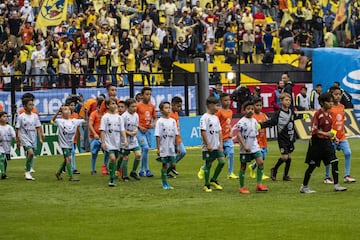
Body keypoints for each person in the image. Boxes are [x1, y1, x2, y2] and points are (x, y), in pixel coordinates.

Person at [300, 92, 347, 193]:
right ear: (323, 103)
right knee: (312, 165)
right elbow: (314, 130)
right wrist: (327, 134)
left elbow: (329, 131)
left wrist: (334, 138)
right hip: (316, 143)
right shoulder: (318, 114)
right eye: (329, 102)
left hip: (326, 143)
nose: (331, 104)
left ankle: (336, 185)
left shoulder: (329, 115)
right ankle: (304, 186)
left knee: (335, 161)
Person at [260, 92, 304, 181]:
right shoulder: (278, 113)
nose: (288, 102)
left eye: (289, 100)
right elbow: (271, 122)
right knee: (285, 157)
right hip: (282, 139)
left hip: (291, 138)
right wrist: (261, 125)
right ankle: (274, 169)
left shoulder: (291, 111)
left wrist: (302, 116)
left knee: (289, 157)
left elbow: (294, 117)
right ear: (281, 101)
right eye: (286, 100)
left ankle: (285, 175)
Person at [323, 86, 355, 184]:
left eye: (339, 94)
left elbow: (340, 120)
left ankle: (347, 175)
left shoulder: (342, 106)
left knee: (348, 153)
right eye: (335, 94)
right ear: (331, 95)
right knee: (330, 156)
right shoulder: (329, 108)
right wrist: (331, 135)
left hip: (342, 136)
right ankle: (327, 177)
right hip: (331, 137)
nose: (338, 96)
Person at [236, 101, 269, 194]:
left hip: (255, 146)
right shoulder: (241, 122)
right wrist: (244, 145)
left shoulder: (254, 121)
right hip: (245, 148)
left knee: (260, 162)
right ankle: (242, 187)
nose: (250, 111)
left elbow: (255, 134)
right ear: (244, 110)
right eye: (248, 109)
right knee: (243, 166)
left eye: (252, 109)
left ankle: (259, 184)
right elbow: (238, 134)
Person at [52, 105, 86, 182]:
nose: (67, 110)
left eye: (68, 109)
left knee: (66, 160)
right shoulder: (60, 121)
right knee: (68, 159)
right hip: (63, 144)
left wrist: (86, 112)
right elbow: (52, 120)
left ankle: (58, 173)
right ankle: (71, 177)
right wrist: (58, 112)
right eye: (65, 109)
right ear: (62, 113)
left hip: (70, 143)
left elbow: (85, 120)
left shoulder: (74, 121)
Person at [100, 97, 127, 187]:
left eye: (115, 103)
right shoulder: (105, 117)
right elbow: (102, 130)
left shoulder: (119, 118)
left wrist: (125, 140)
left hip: (117, 143)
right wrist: (103, 142)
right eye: (112, 103)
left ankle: (113, 171)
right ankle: (111, 179)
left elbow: (122, 130)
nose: (115, 105)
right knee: (112, 158)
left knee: (116, 159)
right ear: (107, 106)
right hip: (108, 142)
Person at [200, 96, 225, 193]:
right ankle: (206, 185)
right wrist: (208, 144)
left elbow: (219, 131)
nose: (218, 107)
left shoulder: (216, 118)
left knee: (222, 162)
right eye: (216, 105)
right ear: (210, 105)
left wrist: (221, 144)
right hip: (209, 146)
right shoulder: (204, 118)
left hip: (217, 145)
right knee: (208, 164)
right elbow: (203, 132)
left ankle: (213, 180)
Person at [15, 97, 44, 180]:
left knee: (30, 155)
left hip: (33, 137)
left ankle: (27, 170)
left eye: (32, 105)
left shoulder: (35, 116)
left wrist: (40, 138)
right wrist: (17, 141)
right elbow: (17, 129)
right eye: (30, 105)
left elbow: (38, 127)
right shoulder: (21, 117)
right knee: (30, 153)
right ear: (25, 106)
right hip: (24, 137)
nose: (32, 106)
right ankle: (27, 172)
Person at [155, 101, 179, 189]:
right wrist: (158, 148)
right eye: (166, 108)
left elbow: (176, 134)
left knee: (173, 164)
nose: (168, 110)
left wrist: (178, 146)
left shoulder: (172, 121)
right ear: (161, 110)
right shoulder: (160, 121)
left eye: (169, 108)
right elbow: (157, 135)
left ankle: (164, 175)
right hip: (163, 146)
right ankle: (164, 183)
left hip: (171, 147)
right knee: (164, 165)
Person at [136, 87, 157, 177]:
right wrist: (140, 127)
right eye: (147, 94)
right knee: (145, 148)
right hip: (139, 131)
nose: (148, 96)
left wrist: (154, 124)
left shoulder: (152, 106)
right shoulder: (138, 106)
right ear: (142, 95)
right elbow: (134, 119)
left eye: (150, 94)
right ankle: (145, 169)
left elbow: (155, 117)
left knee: (146, 150)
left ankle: (142, 170)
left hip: (148, 131)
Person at [248, 98, 270, 180]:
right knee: (260, 157)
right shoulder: (252, 116)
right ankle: (261, 174)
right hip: (256, 140)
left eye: (260, 105)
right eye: (257, 105)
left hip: (263, 139)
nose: (259, 107)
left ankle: (252, 167)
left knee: (263, 157)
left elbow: (268, 122)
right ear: (253, 106)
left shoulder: (264, 115)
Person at [120, 98, 141, 181]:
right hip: (125, 140)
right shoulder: (123, 116)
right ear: (127, 107)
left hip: (133, 140)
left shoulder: (136, 115)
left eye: (135, 106)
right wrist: (129, 133)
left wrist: (135, 131)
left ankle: (133, 172)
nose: (135, 108)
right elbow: (121, 129)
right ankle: (124, 176)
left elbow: (136, 126)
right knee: (125, 157)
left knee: (138, 155)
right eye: (132, 106)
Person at [88, 96, 108, 175]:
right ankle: (93, 169)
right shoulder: (94, 114)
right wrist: (95, 133)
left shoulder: (105, 114)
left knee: (107, 152)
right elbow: (90, 124)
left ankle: (105, 167)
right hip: (94, 137)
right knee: (94, 153)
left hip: (103, 137)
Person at [169, 96, 186, 176]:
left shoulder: (176, 113)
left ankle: (171, 167)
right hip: (172, 139)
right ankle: (170, 168)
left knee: (182, 152)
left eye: (180, 106)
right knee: (180, 152)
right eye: (178, 106)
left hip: (178, 137)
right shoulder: (170, 114)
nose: (179, 108)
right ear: (172, 105)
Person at [0, 111, 15, 179]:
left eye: (6, 116)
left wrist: (17, 141)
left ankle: (4, 172)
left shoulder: (9, 127)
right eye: (4, 116)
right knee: (2, 158)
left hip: (7, 145)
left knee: (5, 160)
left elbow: (14, 136)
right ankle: (3, 173)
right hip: (0, 145)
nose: (5, 118)